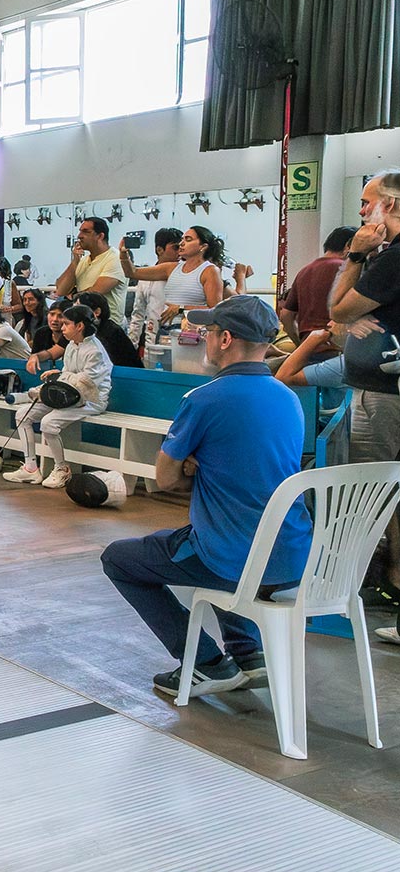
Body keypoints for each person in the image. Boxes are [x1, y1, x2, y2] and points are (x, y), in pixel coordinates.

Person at [100, 294, 312, 697]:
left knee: (121, 558)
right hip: (292, 554)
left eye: (209, 332)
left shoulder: (204, 398)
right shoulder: (288, 398)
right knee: (210, 538)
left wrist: (191, 468)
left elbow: (165, 479)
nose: (205, 339)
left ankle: (206, 663)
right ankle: (248, 653)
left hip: (232, 557)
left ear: (225, 339)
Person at [329, 169, 400, 610]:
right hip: (385, 387)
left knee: (372, 489)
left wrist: (355, 255)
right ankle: (392, 582)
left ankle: (352, 582)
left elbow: (338, 310)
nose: (360, 212)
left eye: (365, 202)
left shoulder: (391, 260)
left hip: (383, 393)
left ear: (387, 205)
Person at [2, 303, 113, 489]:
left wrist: (57, 382)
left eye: (66, 324)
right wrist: (54, 381)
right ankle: (30, 468)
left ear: (80, 326)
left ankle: (62, 469)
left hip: (91, 400)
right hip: (69, 395)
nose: (62, 328)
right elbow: (69, 374)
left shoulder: (95, 351)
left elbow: (86, 383)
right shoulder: (71, 345)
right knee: (23, 415)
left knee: (48, 423)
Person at [118, 225, 223, 332]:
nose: (181, 243)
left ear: (203, 246)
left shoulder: (209, 271)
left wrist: (181, 308)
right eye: (182, 239)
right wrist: (123, 254)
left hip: (191, 332)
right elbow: (132, 272)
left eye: (188, 240)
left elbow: (215, 309)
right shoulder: (171, 268)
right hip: (166, 330)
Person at [280, 225, 357, 344]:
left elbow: (286, 316)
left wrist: (300, 344)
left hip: (308, 347)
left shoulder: (304, 271)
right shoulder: (347, 270)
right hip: (335, 346)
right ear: (349, 246)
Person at [57, 217, 127, 323]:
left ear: (100, 236)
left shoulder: (115, 258)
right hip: (83, 323)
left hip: (107, 324)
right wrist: (75, 261)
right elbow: (61, 290)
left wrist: (73, 296)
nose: (79, 236)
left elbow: (95, 293)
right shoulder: (83, 260)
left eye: (85, 232)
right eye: (80, 231)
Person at [125, 228, 185, 350]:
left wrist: (181, 308)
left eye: (181, 247)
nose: (180, 252)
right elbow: (138, 315)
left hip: (182, 340)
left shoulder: (189, 276)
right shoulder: (145, 278)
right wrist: (131, 347)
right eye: (175, 248)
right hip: (152, 342)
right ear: (159, 250)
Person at [76, 291, 142, 368]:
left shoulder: (111, 332)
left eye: (79, 310)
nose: (74, 314)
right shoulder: (80, 331)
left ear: (97, 312)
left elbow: (105, 365)